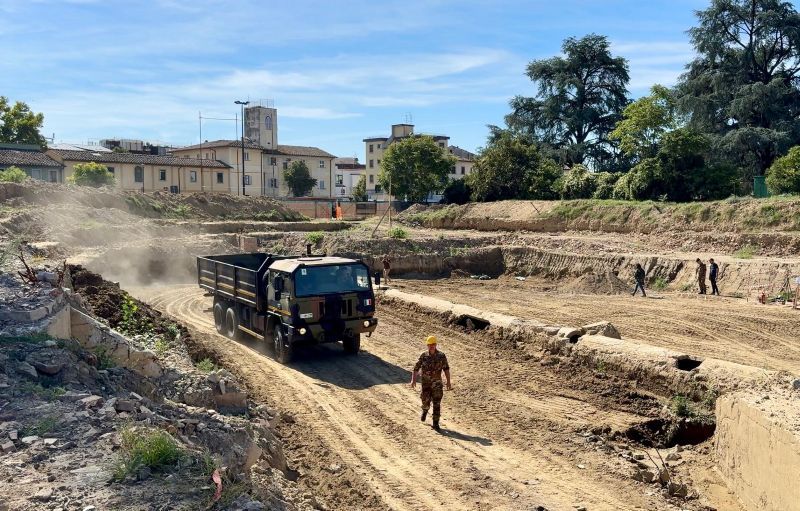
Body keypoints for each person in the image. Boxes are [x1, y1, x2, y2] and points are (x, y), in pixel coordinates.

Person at [410, 335, 452, 431]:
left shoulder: (441, 356)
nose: (432, 346)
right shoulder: (423, 356)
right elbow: (416, 368)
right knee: (425, 401)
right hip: (426, 384)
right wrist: (413, 380)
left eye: (433, 344)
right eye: (430, 344)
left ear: (436, 344)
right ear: (427, 345)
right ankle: (425, 410)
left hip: (437, 384)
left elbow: (446, 369)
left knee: (437, 403)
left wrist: (448, 382)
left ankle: (436, 424)